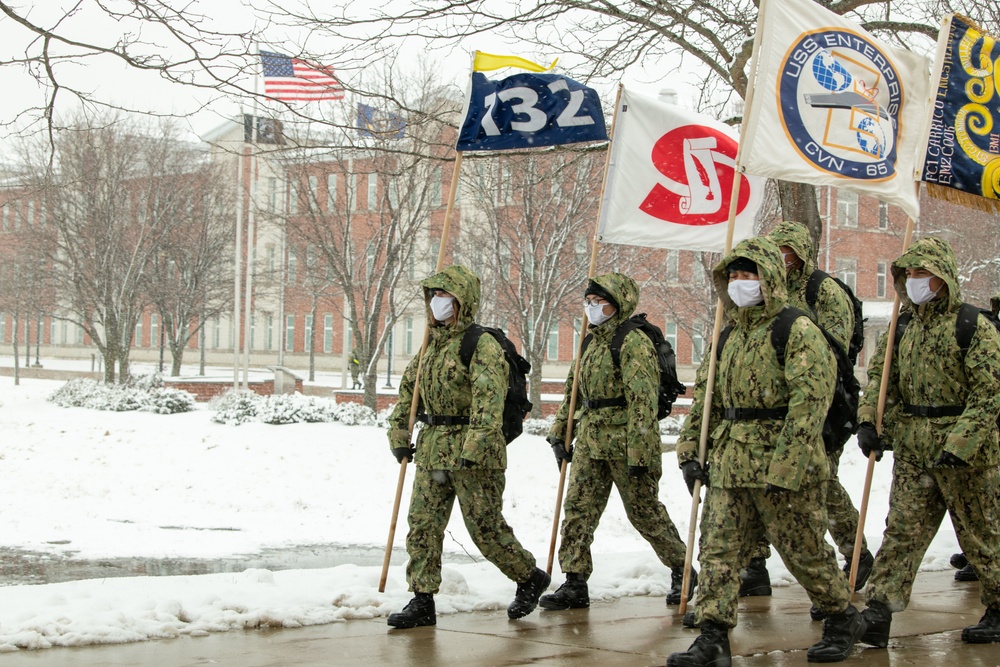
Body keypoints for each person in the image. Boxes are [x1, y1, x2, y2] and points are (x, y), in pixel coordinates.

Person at [668, 238, 864, 666]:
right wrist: (689, 450)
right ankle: (713, 635)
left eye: (748, 275)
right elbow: (708, 399)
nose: (740, 284)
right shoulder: (729, 334)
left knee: (803, 549)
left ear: (770, 278)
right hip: (731, 462)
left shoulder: (796, 329)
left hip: (781, 465)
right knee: (717, 549)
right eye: (734, 276)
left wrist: (787, 466)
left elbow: (810, 403)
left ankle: (840, 615)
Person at [385, 265, 549, 629]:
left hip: (474, 453)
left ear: (463, 301)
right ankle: (422, 599)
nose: (437, 303)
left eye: (445, 297)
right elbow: (408, 394)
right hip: (432, 449)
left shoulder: (481, 344)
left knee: (485, 528)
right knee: (423, 525)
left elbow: (488, 402)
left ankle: (528, 576)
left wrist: (474, 449)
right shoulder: (430, 344)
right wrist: (399, 435)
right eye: (433, 296)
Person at [856, 237, 1000, 647]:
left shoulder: (972, 325)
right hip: (916, 449)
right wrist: (870, 422)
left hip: (965, 455)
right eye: (909, 274)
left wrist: (961, 444)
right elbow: (882, 385)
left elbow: (989, 391)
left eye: (923, 273)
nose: (915, 280)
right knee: (902, 531)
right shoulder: (902, 328)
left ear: (943, 277)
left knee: (981, 534)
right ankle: (879, 610)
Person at [731, 221, 872, 615]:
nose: (780, 258)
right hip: (765, 413)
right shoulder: (764, 289)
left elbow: (835, 351)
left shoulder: (821, 291)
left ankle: (855, 551)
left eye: (787, 251)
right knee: (754, 488)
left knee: (820, 485)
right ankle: (755, 565)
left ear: (802, 254)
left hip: (818, 404)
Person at [541, 273, 694, 611]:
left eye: (599, 302)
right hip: (592, 441)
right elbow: (573, 392)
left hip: (627, 443)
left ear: (618, 303)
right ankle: (575, 580)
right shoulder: (589, 341)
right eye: (589, 302)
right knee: (578, 509)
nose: (592, 308)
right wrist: (560, 432)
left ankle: (682, 570)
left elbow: (642, 400)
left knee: (644, 513)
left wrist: (640, 453)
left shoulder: (632, 341)